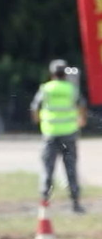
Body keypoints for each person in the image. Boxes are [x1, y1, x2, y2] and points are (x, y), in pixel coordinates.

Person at [31, 59, 87, 213]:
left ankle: (44, 202)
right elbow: (82, 105)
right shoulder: (72, 89)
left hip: (50, 134)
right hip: (69, 133)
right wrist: (81, 120)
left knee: (48, 168)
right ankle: (75, 203)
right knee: (71, 168)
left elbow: (34, 107)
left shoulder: (46, 89)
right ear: (65, 73)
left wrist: (39, 121)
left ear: (52, 73)